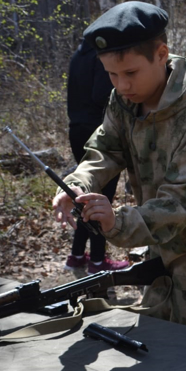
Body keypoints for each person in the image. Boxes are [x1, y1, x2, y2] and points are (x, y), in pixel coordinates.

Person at [52, 1, 186, 332]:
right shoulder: (124, 101)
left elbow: (181, 202)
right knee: (158, 339)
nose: (121, 85)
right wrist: (80, 183)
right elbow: (105, 149)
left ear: (161, 54)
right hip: (158, 244)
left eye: (130, 73)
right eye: (111, 74)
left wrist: (116, 222)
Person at [65, 38, 129, 274]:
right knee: (101, 198)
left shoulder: (77, 56)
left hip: (76, 129)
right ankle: (98, 261)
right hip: (98, 131)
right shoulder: (99, 58)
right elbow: (102, 94)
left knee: (85, 196)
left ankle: (77, 254)